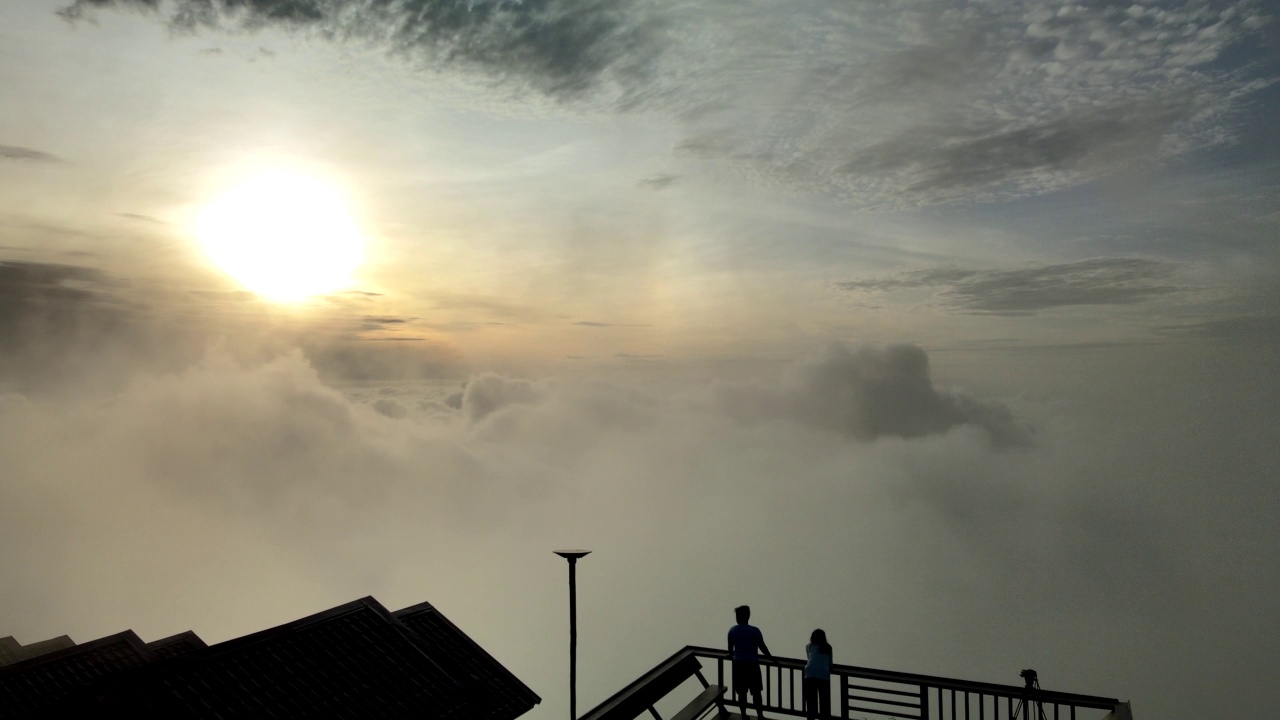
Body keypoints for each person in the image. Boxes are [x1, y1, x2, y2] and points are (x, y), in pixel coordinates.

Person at [727, 605, 772, 720]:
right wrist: (772, 659)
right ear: (748, 616)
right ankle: (760, 715)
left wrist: (731, 655)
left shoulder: (733, 630)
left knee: (742, 692)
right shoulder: (755, 631)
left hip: (739, 664)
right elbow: (762, 647)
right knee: (756, 692)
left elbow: (730, 649)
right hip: (753, 664)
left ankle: (743, 714)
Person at [803, 629, 832, 720]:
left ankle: (811, 717)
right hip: (823, 675)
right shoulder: (827, 647)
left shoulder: (809, 646)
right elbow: (830, 663)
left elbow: (809, 658)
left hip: (810, 673)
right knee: (824, 701)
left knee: (811, 701)